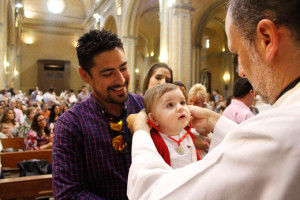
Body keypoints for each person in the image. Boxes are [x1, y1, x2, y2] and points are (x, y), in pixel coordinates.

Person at [126, 0, 300, 199]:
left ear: (267, 39)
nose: (241, 72)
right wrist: (215, 122)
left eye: (237, 52)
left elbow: (155, 194)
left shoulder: (283, 129)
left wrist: (140, 132)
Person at [52, 29, 144, 199]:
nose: (121, 79)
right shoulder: (71, 124)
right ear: (85, 75)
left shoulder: (145, 106)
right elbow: (68, 193)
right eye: (108, 74)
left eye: (123, 68)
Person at [144, 83, 200, 169]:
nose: (180, 107)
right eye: (170, 105)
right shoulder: (156, 141)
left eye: (182, 102)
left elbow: (196, 158)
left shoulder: (187, 134)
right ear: (154, 119)